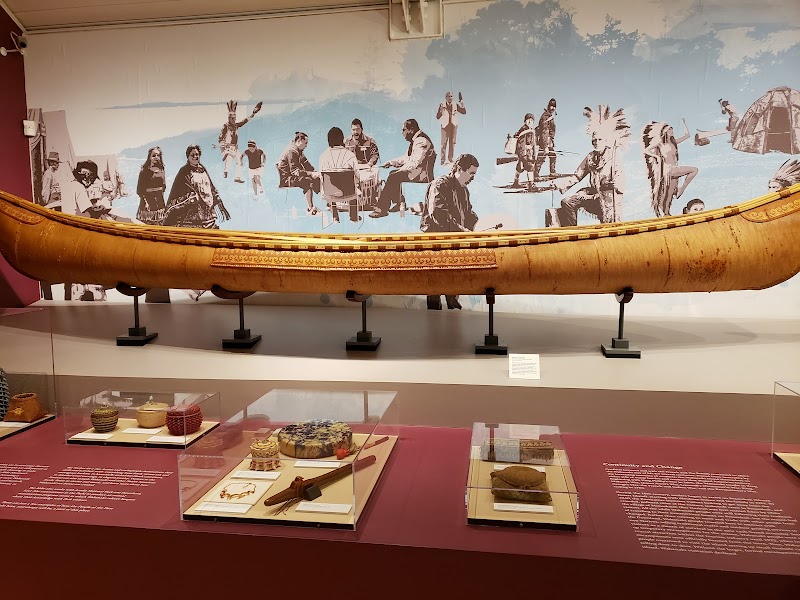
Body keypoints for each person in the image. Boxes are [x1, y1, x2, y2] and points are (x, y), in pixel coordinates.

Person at [553, 106, 631, 227]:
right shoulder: (590, 157)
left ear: (605, 141)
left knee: (609, 225)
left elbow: (620, 177)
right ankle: (573, 232)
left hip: (609, 198)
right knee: (567, 202)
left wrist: (616, 184)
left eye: (600, 139)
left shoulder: (614, 156)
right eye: (594, 140)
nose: (597, 142)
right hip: (593, 195)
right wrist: (560, 184)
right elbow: (577, 176)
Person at [420, 153, 479, 310]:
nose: (473, 178)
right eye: (471, 173)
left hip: (454, 243)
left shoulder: (464, 190)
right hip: (436, 244)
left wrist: (479, 226)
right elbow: (438, 215)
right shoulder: (439, 185)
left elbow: (468, 214)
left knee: (454, 281)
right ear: (460, 168)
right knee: (435, 286)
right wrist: (462, 230)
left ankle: (452, 304)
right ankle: (434, 316)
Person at [62, 160, 110, 300]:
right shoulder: (79, 188)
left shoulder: (68, 186)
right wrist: (102, 209)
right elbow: (88, 213)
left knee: (71, 274)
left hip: (68, 233)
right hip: (79, 234)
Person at [370, 119, 436, 218]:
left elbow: (415, 163)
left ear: (411, 130)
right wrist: (391, 162)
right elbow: (406, 158)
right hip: (417, 172)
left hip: (422, 175)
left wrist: (400, 170)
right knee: (393, 174)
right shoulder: (416, 140)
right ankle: (399, 202)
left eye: (404, 130)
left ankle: (381, 209)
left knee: (393, 176)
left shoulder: (421, 141)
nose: (402, 133)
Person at [164, 145, 231, 229]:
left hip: (207, 211)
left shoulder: (203, 169)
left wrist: (216, 197)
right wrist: (190, 197)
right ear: (188, 157)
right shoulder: (184, 171)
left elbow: (211, 186)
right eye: (192, 155)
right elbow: (177, 192)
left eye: (197, 154)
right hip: (192, 213)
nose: (195, 157)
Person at [643, 119, 698, 216]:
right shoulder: (660, 143)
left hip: (673, 169)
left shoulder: (673, 143)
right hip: (668, 170)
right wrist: (656, 157)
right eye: (669, 130)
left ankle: (667, 214)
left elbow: (687, 135)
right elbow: (646, 150)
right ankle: (680, 190)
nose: (671, 131)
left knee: (669, 195)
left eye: (672, 130)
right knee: (694, 170)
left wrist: (684, 123)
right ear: (664, 131)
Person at [318, 127, 359, 223]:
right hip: (349, 192)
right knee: (355, 186)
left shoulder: (323, 156)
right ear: (342, 139)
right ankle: (353, 217)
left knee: (329, 186)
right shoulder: (350, 154)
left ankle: (335, 217)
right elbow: (357, 174)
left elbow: (321, 176)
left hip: (330, 192)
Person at [277, 132, 322, 216]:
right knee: (307, 181)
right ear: (299, 141)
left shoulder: (298, 150)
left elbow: (306, 164)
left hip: (292, 176)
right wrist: (311, 174)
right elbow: (295, 171)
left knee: (318, 178)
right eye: (305, 143)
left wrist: (316, 173)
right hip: (287, 179)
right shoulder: (291, 151)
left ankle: (329, 202)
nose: (306, 145)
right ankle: (310, 209)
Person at [218, 99, 262, 183]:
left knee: (239, 161)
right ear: (229, 118)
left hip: (235, 147)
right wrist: (223, 144)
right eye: (232, 118)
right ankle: (226, 171)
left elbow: (243, 122)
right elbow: (220, 137)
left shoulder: (235, 125)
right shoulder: (226, 126)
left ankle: (237, 177)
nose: (234, 120)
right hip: (228, 147)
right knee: (229, 159)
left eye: (234, 118)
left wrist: (252, 115)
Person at [136, 147, 167, 224]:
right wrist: (145, 202)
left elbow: (163, 186)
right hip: (147, 203)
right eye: (154, 155)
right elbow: (139, 190)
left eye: (158, 155)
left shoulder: (161, 169)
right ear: (149, 157)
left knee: (160, 224)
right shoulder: (144, 171)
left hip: (160, 204)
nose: (156, 157)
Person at [436, 91, 466, 166]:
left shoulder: (455, 105)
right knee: (443, 143)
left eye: (451, 96)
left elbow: (463, 112)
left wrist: (462, 103)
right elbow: (437, 116)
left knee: (452, 143)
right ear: (446, 97)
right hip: (445, 126)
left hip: (453, 125)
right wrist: (441, 111)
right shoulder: (442, 105)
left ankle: (450, 158)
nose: (450, 98)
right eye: (449, 96)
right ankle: (442, 160)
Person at [534, 98, 557, 178]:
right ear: (548, 106)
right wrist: (545, 146)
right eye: (551, 106)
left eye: (554, 106)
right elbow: (544, 131)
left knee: (552, 156)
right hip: (545, 140)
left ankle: (552, 172)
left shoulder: (549, 116)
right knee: (541, 157)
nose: (553, 108)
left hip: (548, 141)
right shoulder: (545, 117)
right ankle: (535, 175)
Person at [512, 113, 536, 188]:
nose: (530, 122)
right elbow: (521, 143)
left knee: (519, 167)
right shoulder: (524, 130)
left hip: (527, 153)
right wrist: (523, 154)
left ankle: (516, 182)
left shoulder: (530, 129)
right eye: (528, 120)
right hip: (524, 153)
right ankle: (531, 185)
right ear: (525, 121)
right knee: (530, 167)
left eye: (531, 120)